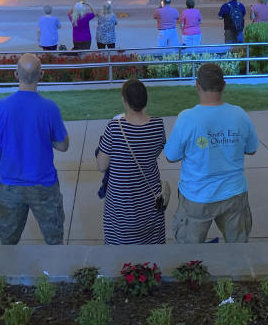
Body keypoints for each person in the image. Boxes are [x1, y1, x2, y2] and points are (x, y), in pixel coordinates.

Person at [164, 63, 258, 243]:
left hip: (197, 196)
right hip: (234, 193)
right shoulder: (239, 114)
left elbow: (171, 156)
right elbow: (252, 149)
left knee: (190, 257)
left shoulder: (187, 118)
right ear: (223, 85)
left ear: (197, 85)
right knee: (239, 252)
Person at [0, 53, 69, 244]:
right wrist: (46, 139)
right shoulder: (50, 108)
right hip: (44, 185)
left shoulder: (0, 108)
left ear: (16, 74)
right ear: (41, 75)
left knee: (8, 244)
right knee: (55, 242)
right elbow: (63, 145)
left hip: (10, 186)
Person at [96, 78, 166, 244]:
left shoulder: (114, 127)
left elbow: (102, 165)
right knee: (151, 255)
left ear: (124, 100)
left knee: (119, 255)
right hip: (150, 203)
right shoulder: (158, 125)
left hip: (121, 206)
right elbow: (154, 153)